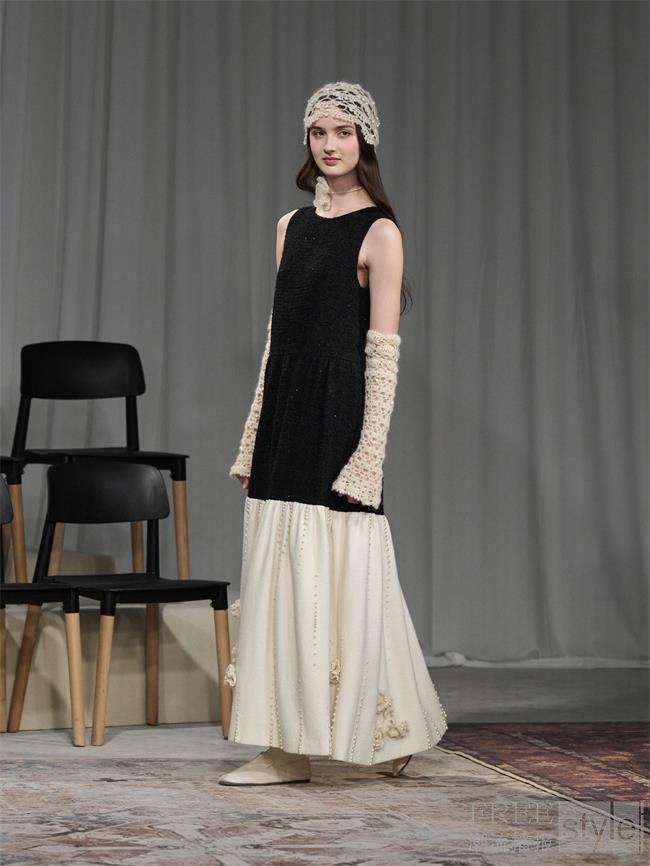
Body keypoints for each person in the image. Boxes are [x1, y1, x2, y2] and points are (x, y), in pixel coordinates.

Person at [219, 81, 447, 786]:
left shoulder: (381, 233)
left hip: (338, 416)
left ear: (364, 140)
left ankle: (389, 726)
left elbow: (382, 353)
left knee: (342, 575)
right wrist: (253, 435)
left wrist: (369, 454)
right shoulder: (290, 226)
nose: (329, 144)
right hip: (285, 413)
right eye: (318, 132)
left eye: (343, 132)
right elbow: (277, 341)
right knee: (278, 572)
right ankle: (284, 746)